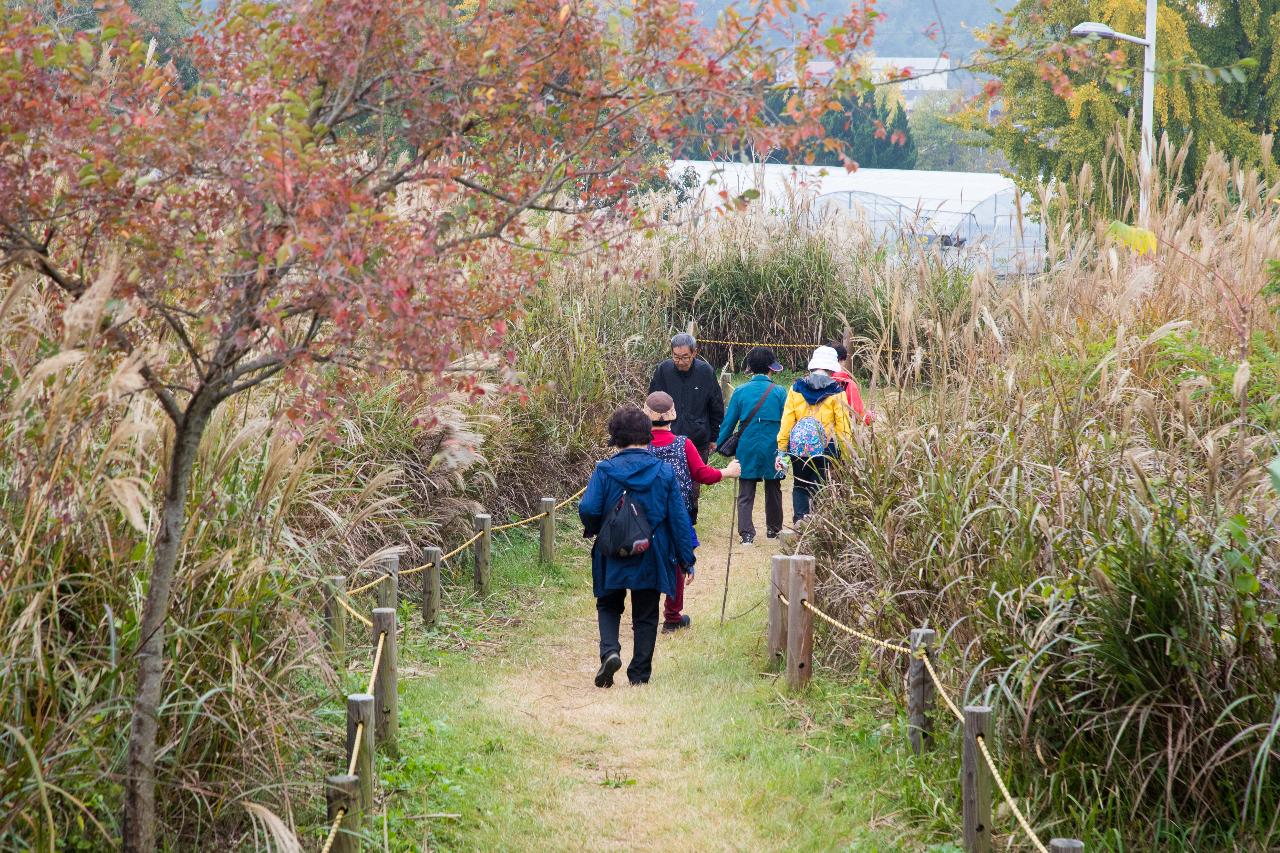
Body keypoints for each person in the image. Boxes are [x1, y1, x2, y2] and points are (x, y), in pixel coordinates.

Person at [580, 405, 696, 687]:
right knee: (646, 613)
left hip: (612, 550)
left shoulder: (604, 470)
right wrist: (686, 558)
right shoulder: (664, 472)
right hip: (651, 551)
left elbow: (588, 507)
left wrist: (599, 529)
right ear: (648, 436)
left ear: (615, 438)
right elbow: (678, 518)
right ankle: (639, 675)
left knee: (608, 603)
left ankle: (610, 651)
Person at [643, 391, 740, 633]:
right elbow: (702, 474)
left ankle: (645, 616)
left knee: (647, 561)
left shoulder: (641, 446)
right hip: (678, 515)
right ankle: (672, 618)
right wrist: (727, 472)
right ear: (672, 416)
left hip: (645, 516)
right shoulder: (683, 444)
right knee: (677, 563)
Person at [648, 332, 725, 526]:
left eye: (685, 357)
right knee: (666, 480)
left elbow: (716, 405)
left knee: (694, 482)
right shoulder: (663, 370)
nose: (680, 362)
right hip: (667, 437)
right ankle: (666, 519)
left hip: (698, 437)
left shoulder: (705, 371)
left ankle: (689, 520)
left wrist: (713, 436)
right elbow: (652, 401)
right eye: (676, 357)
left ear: (694, 353)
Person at [716, 346, 788, 545]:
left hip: (746, 445)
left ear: (750, 368)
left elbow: (729, 422)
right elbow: (787, 421)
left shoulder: (740, 391)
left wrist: (720, 443)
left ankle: (746, 534)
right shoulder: (780, 392)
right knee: (774, 488)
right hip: (773, 446)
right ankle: (774, 530)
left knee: (746, 491)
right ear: (770, 368)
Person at [776, 345, 854, 523]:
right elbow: (843, 426)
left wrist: (782, 449)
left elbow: (787, 421)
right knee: (821, 486)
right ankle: (818, 526)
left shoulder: (796, 388)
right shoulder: (837, 391)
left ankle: (799, 522)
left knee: (800, 485)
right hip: (826, 448)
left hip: (799, 447)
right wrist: (847, 454)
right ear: (831, 368)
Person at [826, 341, 874, 426]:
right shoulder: (847, 384)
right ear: (841, 360)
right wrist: (870, 416)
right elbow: (859, 417)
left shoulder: (808, 383)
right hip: (841, 434)